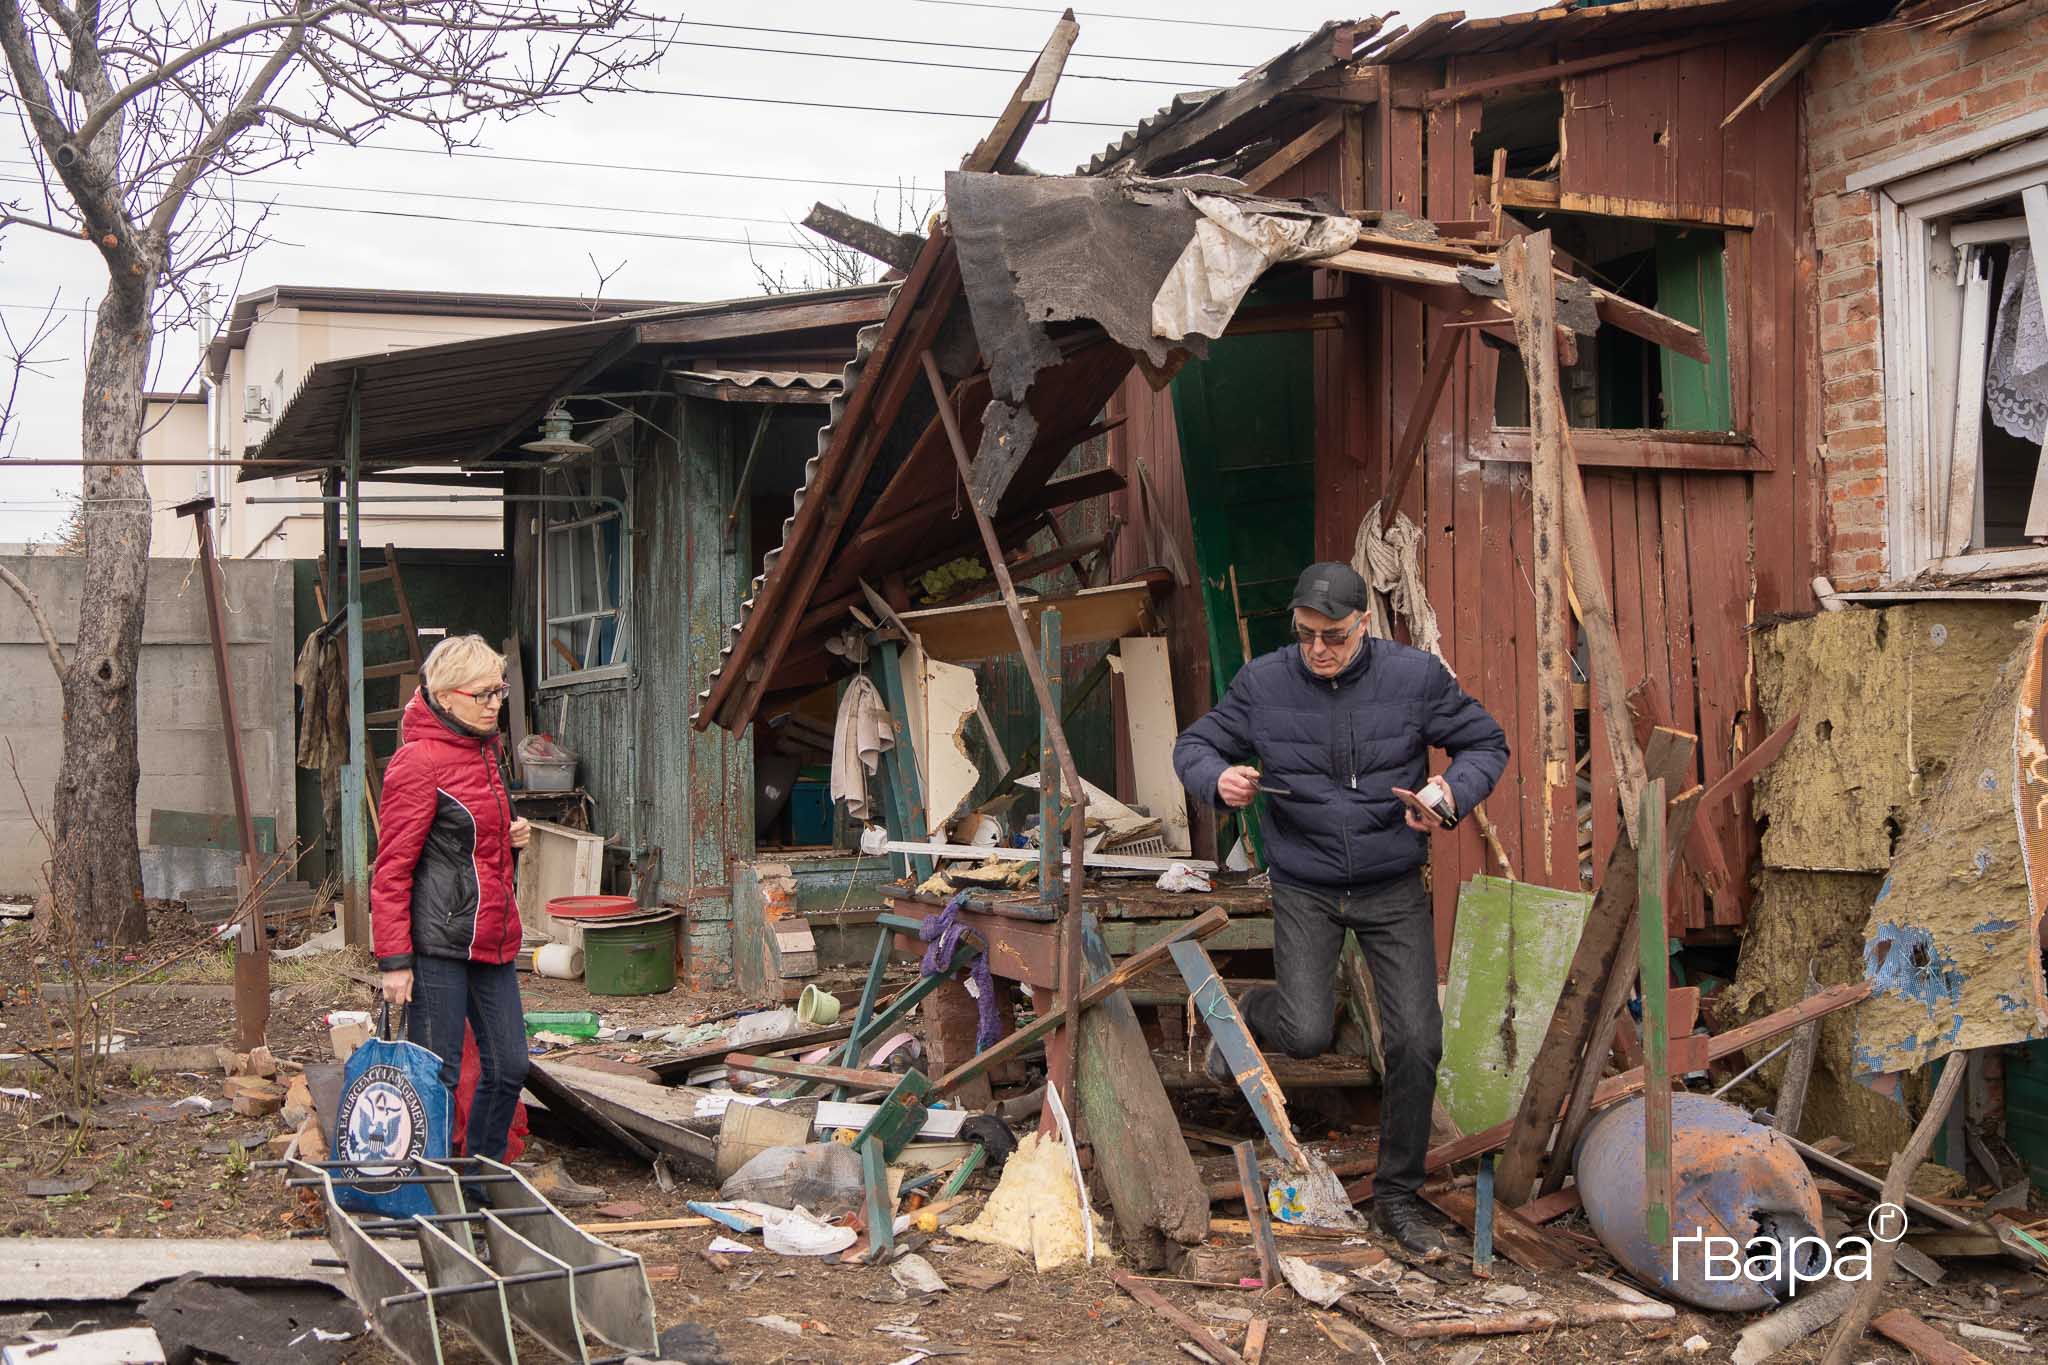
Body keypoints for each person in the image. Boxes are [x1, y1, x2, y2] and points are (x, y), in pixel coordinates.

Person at [1173, 561, 1508, 1255]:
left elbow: (1486, 743)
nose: (1318, 649)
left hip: (1391, 881)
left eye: (1334, 636)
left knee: (1417, 1040)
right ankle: (1244, 1006)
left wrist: (1446, 797)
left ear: (1364, 625)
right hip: (1305, 880)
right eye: (1305, 635)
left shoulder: (1414, 678)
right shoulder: (1265, 683)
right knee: (1304, 1032)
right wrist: (1218, 777)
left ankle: (1396, 1197)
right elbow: (1195, 743)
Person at [371, 634, 532, 1170]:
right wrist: (394, 962)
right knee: (436, 1077)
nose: (494, 705)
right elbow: (391, 868)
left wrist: (510, 836)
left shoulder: (488, 751)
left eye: (499, 692)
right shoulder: (416, 763)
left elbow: (469, 840)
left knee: (509, 1066)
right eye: (482, 694)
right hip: (439, 945)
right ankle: (431, 1189)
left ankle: (481, 1176)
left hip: (492, 937)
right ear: (444, 696)